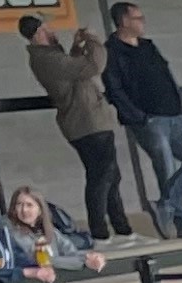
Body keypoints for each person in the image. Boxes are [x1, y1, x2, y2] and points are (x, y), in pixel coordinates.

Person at [103, 1, 182, 237]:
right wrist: (139, 118)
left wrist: (180, 106)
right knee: (166, 169)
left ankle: (165, 203)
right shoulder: (111, 51)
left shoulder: (149, 46)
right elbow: (114, 90)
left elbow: (166, 75)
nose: (143, 22)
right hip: (149, 120)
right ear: (123, 22)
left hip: (175, 116)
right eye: (138, 18)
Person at [20, 14, 127, 240]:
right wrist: (93, 41)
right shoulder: (47, 59)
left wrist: (76, 47)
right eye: (47, 28)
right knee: (101, 175)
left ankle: (121, 227)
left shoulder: (52, 56)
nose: (52, 32)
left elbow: (73, 76)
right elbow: (92, 66)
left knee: (110, 175)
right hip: (87, 124)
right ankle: (100, 231)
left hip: (90, 122)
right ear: (38, 33)